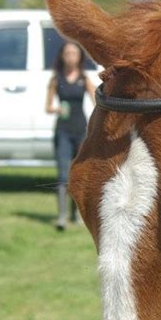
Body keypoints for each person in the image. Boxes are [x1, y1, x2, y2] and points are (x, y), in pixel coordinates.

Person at [45, 42, 95, 230]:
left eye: (74, 53)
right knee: (63, 174)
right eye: (67, 53)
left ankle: (77, 214)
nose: (71, 56)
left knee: (78, 175)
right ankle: (62, 217)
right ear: (62, 56)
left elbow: (96, 101)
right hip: (62, 131)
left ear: (79, 57)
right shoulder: (56, 79)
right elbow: (47, 106)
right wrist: (56, 109)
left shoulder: (84, 78)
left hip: (80, 131)